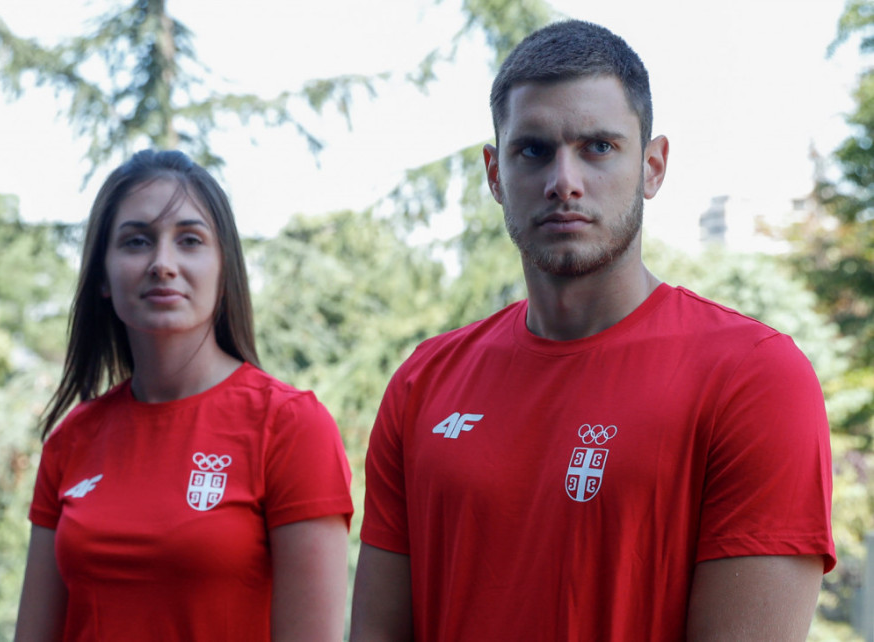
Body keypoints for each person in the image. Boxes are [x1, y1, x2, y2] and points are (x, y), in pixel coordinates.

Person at [350, 19, 835, 641]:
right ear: (495, 174)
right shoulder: (423, 383)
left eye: (599, 147)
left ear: (653, 166)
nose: (564, 181)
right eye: (533, 150)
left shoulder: (754, 377)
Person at [15, 149, 353, 641]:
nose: (162, 264)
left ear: (224, 269)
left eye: (190, 240)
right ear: (103, 276)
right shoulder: (71, 440)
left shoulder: (290, 426)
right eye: (136, 241)